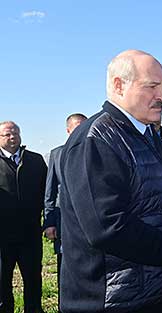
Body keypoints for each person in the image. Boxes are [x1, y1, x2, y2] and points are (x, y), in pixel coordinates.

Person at [59, 49, 162, 313]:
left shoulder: (147, 136)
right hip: (115, 302)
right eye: (151, 86)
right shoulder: (96, 141)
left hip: (156, 292)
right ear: (119, 85)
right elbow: (109, 228)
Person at [0, 121, 47, 313]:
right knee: (2, 282)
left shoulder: (35, 161)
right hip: (2, 236)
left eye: (16, 134)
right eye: (7, 135)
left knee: (33, 279)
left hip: (30, 233)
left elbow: (47, 193)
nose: (13, 138)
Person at [43, 113, 87, 312]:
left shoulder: (95, 149)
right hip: (64, 222)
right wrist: (49, 222)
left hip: (90, 221)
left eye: (84, 126)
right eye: (76, 126)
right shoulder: (57, 153)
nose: (80, 130)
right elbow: (50, 191)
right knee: (65, 268)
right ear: (68, 130)